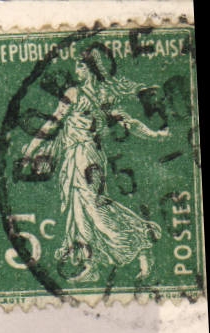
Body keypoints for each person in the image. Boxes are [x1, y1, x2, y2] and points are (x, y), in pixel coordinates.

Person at [20, 50, 168, 283]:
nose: (76, 71)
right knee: (81, 210)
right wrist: (155, 134)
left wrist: (30, 151)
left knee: (93, 208)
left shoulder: (75, 93)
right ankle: (92, 263)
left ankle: (140, 240)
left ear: (88, 69)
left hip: (84, 157)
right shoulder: (104, 94)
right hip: (85, 156)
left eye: (79, 67)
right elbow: (129, 122)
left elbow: (53, 123)